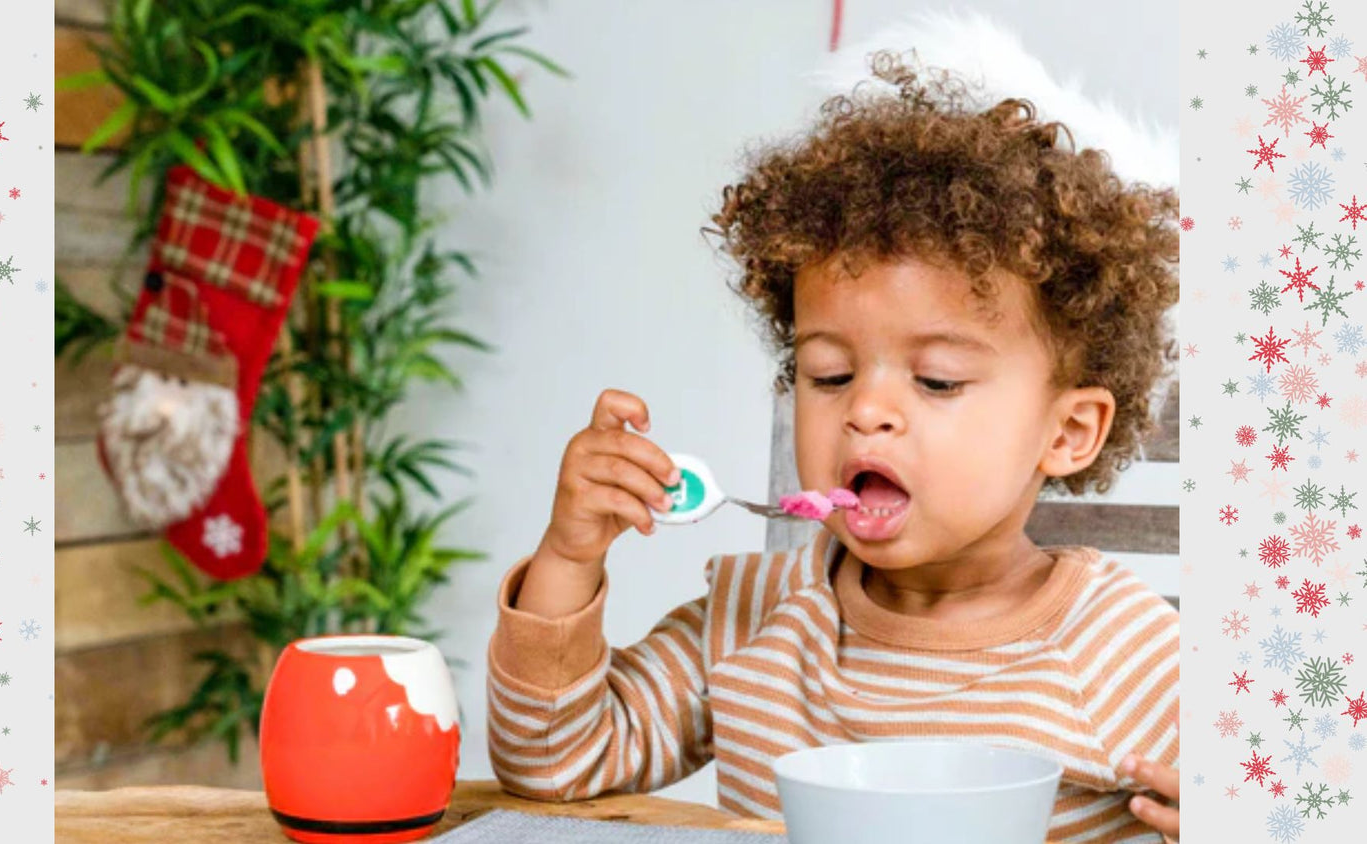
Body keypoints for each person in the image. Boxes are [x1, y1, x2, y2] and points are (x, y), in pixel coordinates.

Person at [486, 53, 1181, 842]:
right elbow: (554, 763)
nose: (866, 410)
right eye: (831, 373)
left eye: (938, 381)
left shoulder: (1130, 652)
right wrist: (570, 558)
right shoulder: (754, 618)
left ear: (1066, 433)